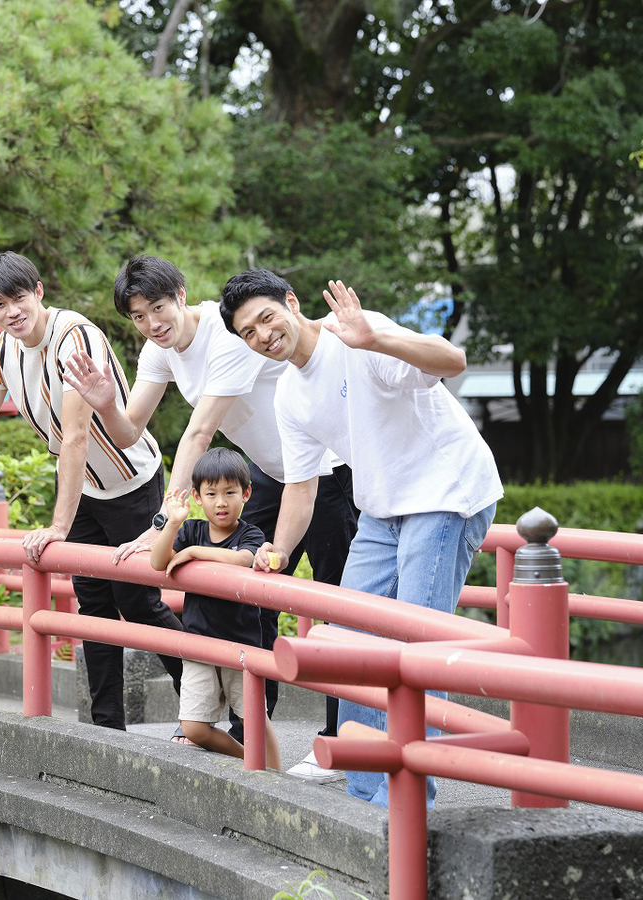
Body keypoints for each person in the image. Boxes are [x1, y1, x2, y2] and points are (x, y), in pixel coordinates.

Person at [63, 255, 356, 779]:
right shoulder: (159, 351)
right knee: (244, 595)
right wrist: (107, 404)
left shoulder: (225, 334)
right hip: (270, 475)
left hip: (328, 472)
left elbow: (199, 435)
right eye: (137, 317)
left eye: (158, 307)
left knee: (333, 607)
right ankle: (250, 729)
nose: (153, 324)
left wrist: (160, 524)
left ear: (180, 293)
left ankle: (337, 743)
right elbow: (129, 431)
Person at [218, 270, 502, 808]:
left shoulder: (357, 335)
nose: (263, 336)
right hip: (382, 507)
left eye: (266, 318)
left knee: (415, 645)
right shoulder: (290, 397)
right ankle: (367, 794)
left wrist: (377, 339)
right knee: (349, 644)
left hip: (444, 490)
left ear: (291, 303)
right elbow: (301, 489)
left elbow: (452, 361)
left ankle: (414, 801)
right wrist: (276, 552)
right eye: (248, 333)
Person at [0, 251, 184, 730]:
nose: (11, 312)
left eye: (18, 298)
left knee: (138, 604)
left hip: (129, 482)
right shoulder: (1, 352)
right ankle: (106, 728)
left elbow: (76, 435)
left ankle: (203, 708)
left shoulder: (73, 335)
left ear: (38, 291)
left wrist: (59, 525)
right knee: (93, 606)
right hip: (82, 490)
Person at [149, 448, 281, 769]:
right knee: (194, 727)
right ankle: (250, 759)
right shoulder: (191, 528)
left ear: (246, 494)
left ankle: (277, 774)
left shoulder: (250, 533)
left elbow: (244, 558)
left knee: (254, 719)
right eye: (211, 494)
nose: (221, 502)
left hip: (240, 646)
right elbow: (157, 562)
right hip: (199, 644)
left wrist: (195, 552)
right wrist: (173, 524)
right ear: (197, 497)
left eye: (230, 492)